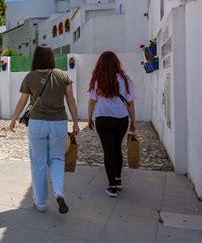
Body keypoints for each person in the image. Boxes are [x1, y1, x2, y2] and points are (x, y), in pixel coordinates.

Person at [9, 46, 79, 214]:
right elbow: (71, 100)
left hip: (37, 123)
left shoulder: (30, 77)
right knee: (57, 159)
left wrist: (13, 120)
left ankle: (40, 203)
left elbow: (22, 101)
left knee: (38, 162)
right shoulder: (63, 75)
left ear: (36, 58)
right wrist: (76, 122)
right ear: (51, 58)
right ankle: (59, 192)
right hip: (59, 123)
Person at [87, 51, 137, 198]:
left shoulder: (97, 81)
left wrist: (89, 118)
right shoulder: (125, 80)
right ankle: (118, 179)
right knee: (117, 148)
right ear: (116, 63)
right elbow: (131, 102)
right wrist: (134, 121)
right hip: (121, 119)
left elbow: (91, 101)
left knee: (108, 151)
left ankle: (112, 186)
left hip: (103, 119)